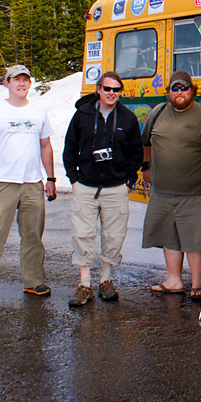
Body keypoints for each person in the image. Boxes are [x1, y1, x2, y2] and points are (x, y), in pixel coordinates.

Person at [0, 64, 57, 307]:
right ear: (6, 83)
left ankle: (34, 281)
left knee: (33, 236)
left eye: (25, 80)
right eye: (16, 80)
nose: (21, 84)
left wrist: (50, 179)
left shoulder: (39, 111)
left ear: (30, 84)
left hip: (32, 183)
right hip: (3, 182)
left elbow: (45, 146)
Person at [62, 71, 144, 308]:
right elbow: (69, 149)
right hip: (86, 186)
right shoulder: (82, 116)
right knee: (82, 234)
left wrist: (129, 180)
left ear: (121, 92)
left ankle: (106, 281)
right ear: (98, 89)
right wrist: (74, 179)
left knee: (113, 235)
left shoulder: (127, 118)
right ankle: (84, 283)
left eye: (116, 90)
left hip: (116, 187)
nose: (112, 93)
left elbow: (135, 153)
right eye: (107, 89)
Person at [141, 70, 201, 301]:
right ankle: (173, 280)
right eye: (175, 88)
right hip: (162, 191)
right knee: (169, 237)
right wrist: (146, 168)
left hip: (195, 192)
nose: (179, 92)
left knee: (195, 239)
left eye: (184, 87)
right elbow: (146, 141)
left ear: (192, 91)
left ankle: (197, 283)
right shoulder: (157, 113)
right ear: (168, 91)